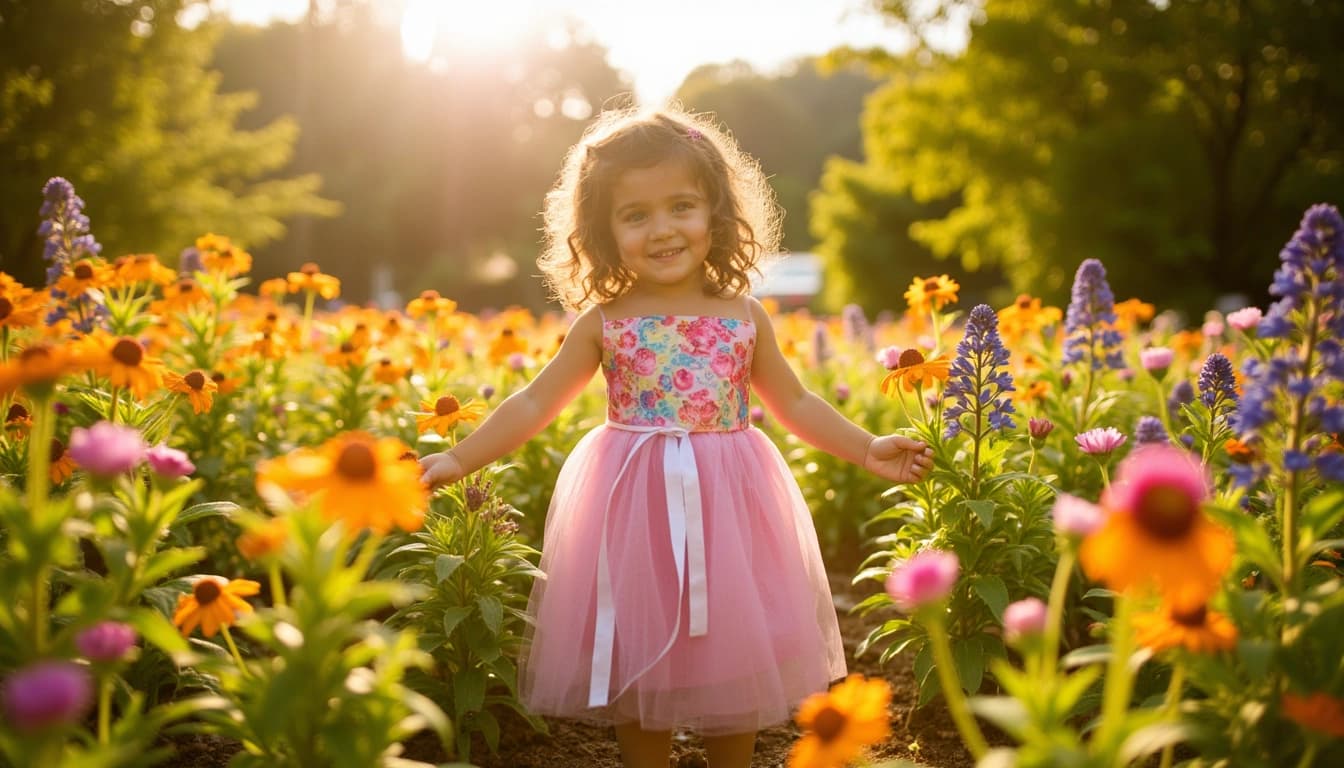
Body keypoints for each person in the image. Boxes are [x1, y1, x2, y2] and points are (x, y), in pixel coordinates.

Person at [419, 106, 933, 768]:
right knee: (638, 654)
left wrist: (865, 448)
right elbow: (538, 398)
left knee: (732, 649)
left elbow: (797, 400)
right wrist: (460, 455)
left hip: (730, 502)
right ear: (603, 232)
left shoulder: (743, 316)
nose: (662, 229)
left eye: (681, 206)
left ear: (715, 213)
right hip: (632, 505)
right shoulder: (605, 321)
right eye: (635, 215)